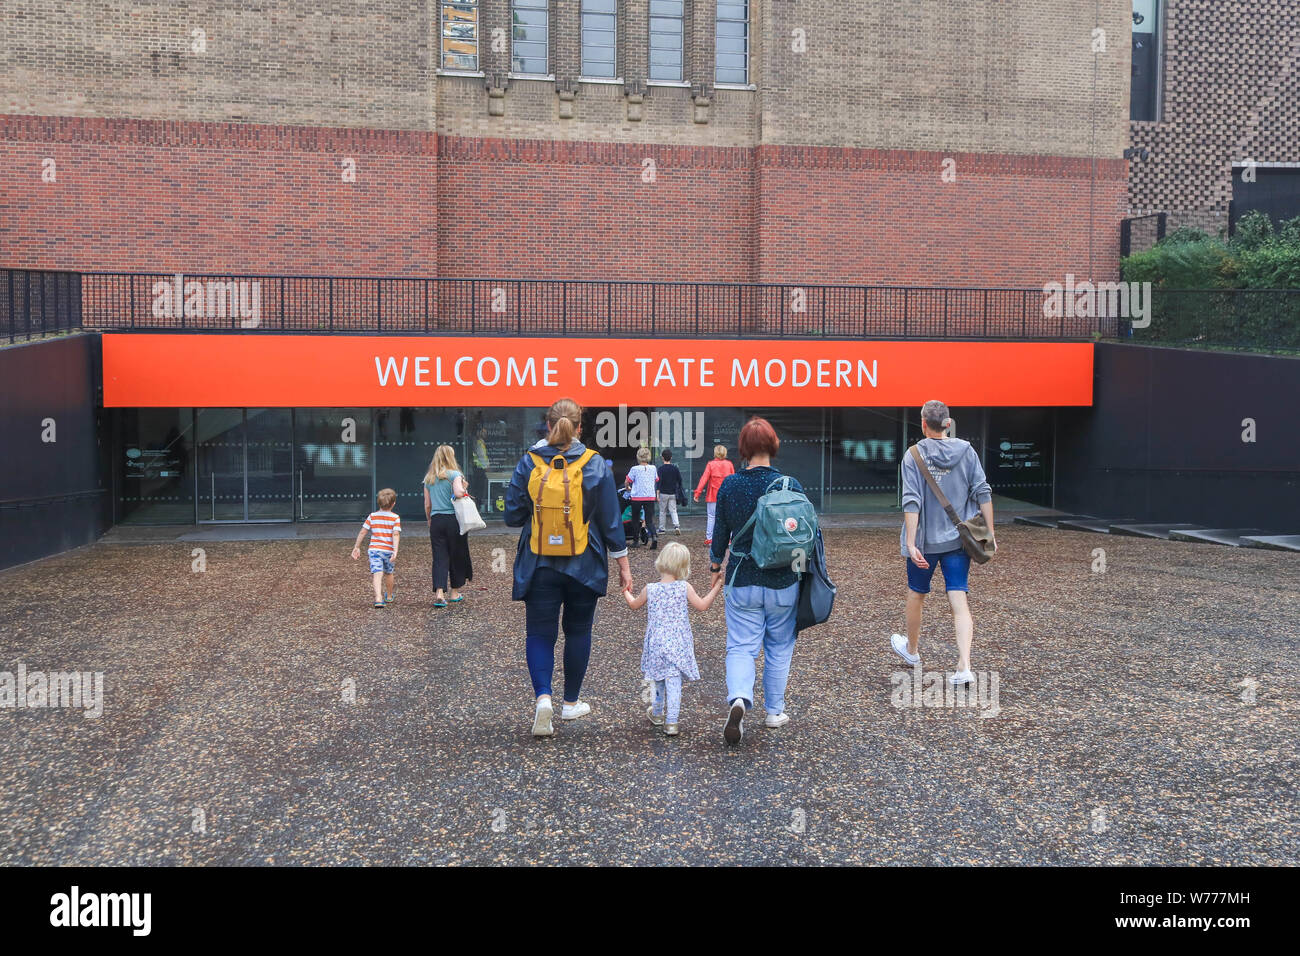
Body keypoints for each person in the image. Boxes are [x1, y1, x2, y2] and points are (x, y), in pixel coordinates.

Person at [505, 398, 633, 737]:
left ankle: (543, 699)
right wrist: (623, 564)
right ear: (579, 428)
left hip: (539, 561)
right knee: (578, 631)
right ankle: (571, 702)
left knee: (539, 633)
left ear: (548, 425)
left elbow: (512, 516)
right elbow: (610, 521)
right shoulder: (595, 464)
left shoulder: (529, 461)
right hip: (585, 562)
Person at [709, 419, 802, 745]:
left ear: (743, 448)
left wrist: (716, 564)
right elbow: (807, 535)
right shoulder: (790, 485)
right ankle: (774, 712)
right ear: (773, 445)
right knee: (779, 647)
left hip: (742, 577)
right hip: (784, 579)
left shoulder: (730, 486)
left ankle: (738, 699)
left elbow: (720, 533)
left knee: (740, 646)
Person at [890, 400, 995, 687]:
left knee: (917, 593)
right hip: (959, 542)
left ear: (923, 423)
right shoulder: (967, 451)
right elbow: (983, 492)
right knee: (958, 598)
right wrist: (989, 534)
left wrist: (911, 543)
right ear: (947, 424)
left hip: (924, 542)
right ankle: (964, 666)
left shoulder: (913, 456)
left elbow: (912, 501)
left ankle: (912, 652)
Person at [624, 542, 721, 736]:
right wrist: (717, 587)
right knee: (673, 679)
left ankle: (658, 713)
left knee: (658, 678)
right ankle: (672, 721)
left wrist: (626, 591)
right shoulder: (683, 587)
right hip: (678, 641)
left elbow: (634, 605)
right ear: (683, 566)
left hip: (657, 642)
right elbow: (702, 606)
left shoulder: (650, 589)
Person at [423, 444, 473, 609]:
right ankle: (454, 592)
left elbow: (427, 504)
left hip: (436, 521)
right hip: (454, 520)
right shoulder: (455, 474)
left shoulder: (429, 478)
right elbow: (458, 493)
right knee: (457, 555)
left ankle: (439, 593)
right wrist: (464, 488)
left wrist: (429, 520)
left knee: (439, 557)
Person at [350, 488, 401, 609]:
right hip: (388, 551)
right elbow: (396, 534)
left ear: (378, 502)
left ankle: (378, 598)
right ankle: (388, 596)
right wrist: (395, 550)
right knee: (389, 573)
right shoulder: (395, 518)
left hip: (374, 550)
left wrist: (356, 547)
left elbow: (363, 532)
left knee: (377, 573)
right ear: (393, 504)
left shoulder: (372, 516)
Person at [694, 445, 736, 545]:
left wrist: (697, 493)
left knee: (711, 517)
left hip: (713, 496)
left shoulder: (711, 464)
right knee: (727, 518)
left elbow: (704, 479)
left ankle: (709, 539)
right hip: (727, 496)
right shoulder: (729, 464)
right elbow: (734, 481)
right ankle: (729, 539)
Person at [625, 446, 659, 550]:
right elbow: (656, 480)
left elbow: (627, 481)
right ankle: (654, 536)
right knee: (649, 520)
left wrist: (627, 488)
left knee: (635, 519)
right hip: (650, 497)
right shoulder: (653, 468)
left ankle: (636, 541)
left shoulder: (634, 469)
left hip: (637, 497)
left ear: (638, 457)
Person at [656, 449, 683, 535]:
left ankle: (662, 529)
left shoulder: (660, 469)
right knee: (673, 510)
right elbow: (680, 480)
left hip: (663, 493)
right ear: (671, 457)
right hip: (673, 493)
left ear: (662, 458)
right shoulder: (675, 468)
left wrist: (657, 494)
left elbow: (658, 482)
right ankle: (677, 526)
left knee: (662, 511)